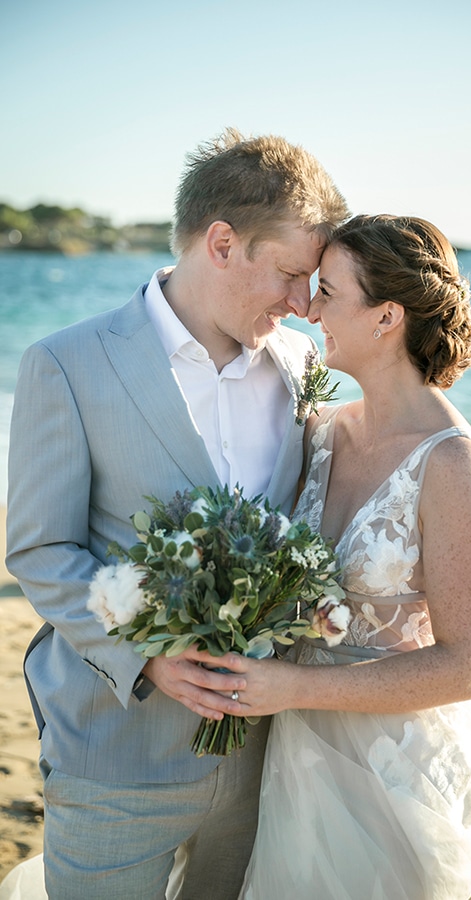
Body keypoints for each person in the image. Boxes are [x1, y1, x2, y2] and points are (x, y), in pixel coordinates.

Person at [4, 128, 348, 899]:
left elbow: (322, 501)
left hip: (261, 760)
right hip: (115, 752)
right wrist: (149, 656)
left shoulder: (303, 366)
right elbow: (41, 550)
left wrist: (432, 460)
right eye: (293, 274)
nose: (303, 304)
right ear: (222, 243)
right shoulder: (66, 363)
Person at [214, 214, 471, 899]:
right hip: (297, 758)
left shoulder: (452, 462)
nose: (309, 310)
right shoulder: (322, 432)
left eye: (328, 292)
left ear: (386, 318)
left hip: (391, 782)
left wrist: (293, 689)